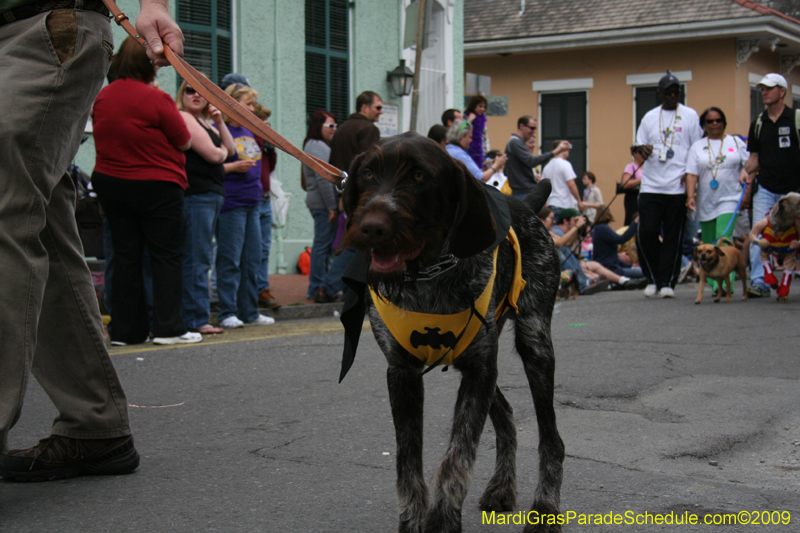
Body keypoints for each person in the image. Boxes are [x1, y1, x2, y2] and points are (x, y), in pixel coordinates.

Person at [0, 0, 183, 481]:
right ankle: (93, 421)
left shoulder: (115, 98)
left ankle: (97, 411)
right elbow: (183, 140)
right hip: (156, 190)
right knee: (39, 225)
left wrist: (154, 4)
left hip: (42, 20)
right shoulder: (153, 99)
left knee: (13, 210)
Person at [92, 37, 201, 347]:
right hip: (157, 183)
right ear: (147, 64)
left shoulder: (103, 97)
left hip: (111, 182)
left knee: (125, 257)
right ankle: (168, 328)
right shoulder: (157, 99)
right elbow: (183, 141)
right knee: (166, 257)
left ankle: (126, 331)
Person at [634, 71, 703, 299]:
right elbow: (636, 147)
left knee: (673, 236)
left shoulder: (690, 115)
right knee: (647, 232)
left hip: (677, 186)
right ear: (660, 94)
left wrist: (690, 175)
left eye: (676, 92)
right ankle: (652, 277)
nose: (673, 95)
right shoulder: (649, 117)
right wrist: (641, 150)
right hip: (651, 185)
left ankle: (667, 282)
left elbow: (697, 149)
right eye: (668, 92)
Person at [176, 80, 235, 335]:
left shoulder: (205, 123)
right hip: (196, 195)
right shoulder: (184, 117)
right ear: (182, 94)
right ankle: (196, 319)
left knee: (202, 256)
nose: (196, 95)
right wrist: (220, 150)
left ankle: (196, 316)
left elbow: (230, 150)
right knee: (196, 258)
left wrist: (219, 121)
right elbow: (215, 155)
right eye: (190, 89)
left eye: (202, 91)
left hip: (210, 196)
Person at [215, 84, 275, 328]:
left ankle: (249, 311)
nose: (253, 108)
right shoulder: (219, 128)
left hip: (254, 200)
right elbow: (212, 165)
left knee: (253, 258)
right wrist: (233, 167)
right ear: (232, 104)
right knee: (230, 259)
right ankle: (227, 311)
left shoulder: (250, 131)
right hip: (232, 201)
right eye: (248, 104)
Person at [319, 91, 385, 303]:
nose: (381, 112)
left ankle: (340, 287)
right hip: (361, 196)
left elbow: (332, 165)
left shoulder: (342, 130)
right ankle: (331, 286)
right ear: (364, 108)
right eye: (378, 107)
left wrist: (339, 195)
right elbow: (370, 166)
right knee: (357, 242)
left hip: (343, 193)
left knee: (350, 242)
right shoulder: (368, 129)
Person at [739, 73, 800, 298]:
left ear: (782, 92)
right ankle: (760, 282)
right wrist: (746, 171)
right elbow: (755, 157)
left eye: (769, 88)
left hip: (794, 192)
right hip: (766, 189)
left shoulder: (796, 118)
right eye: (762, 88)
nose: (764, 92)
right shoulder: (758, 124)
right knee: (760, 235)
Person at [685, 107, 748, 296]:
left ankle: (724, 283)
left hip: (730, 197)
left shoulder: (735, 142)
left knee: (723, 239)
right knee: (709, 243)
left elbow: (750, 166)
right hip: (706, 200)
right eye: (710, 121)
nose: (715, 124)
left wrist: (747, 188)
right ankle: (715, 283)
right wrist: (690, 196)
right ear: (704, 125)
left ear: (724, 122)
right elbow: (691, 174)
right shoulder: (697, 146)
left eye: (718, 120)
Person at [304, 110, 339, 303]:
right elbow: (324, 178)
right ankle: (316, 286)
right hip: (323, 204)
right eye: (330, 126)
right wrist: (332, 207)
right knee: (322, 245)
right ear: (319, 127)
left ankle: (320, 284)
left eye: (335, 126)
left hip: (322, 203)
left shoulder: (319, 145)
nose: (334, 130)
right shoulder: (316, 146)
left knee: (324, 245)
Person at [252, 101, 280, 310]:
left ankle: (262, 287)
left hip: (265, 197)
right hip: (252, 198)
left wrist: (270, 147)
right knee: (252, 249)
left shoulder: (263, 143)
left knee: (264, 249)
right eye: (263, 123)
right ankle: (253, 289)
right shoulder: (250, 138)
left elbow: (269, 167)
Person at [505, 115, 570, 199]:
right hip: (523, 193)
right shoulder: (515, 142)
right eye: (532, 128)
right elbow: (531, 161)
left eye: (535, 129)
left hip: (524, 192)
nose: (534, 132)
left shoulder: (516, 143)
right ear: (521, 126)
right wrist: (555, 151)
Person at [590, 207, 648, 285]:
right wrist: (635, 223)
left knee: (639, 270)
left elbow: (610, 256)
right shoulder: (603, 229)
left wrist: (630, 266)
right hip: (611, 269)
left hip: (609, 267)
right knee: (644, 272)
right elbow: (621, 239)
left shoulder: (597, 229)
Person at [543, 141, 582, 214]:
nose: (568, 150)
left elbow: (543, 189)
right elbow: (571, 185)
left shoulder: (546, 167)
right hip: (564, 206)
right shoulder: (565, 164)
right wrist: (579, 201)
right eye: (565, 148)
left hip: (551, 206)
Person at [620, 145, 646, 225]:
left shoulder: (645, 167)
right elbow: (625, 184)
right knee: (632, 219)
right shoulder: (631, 166)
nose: (643, 155)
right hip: (633, 198)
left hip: (643, 197)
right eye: (640, 153)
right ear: (635, 154)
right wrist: (641, 180)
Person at [464, 94, 489, 168]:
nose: (482, 109)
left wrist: (487, 149)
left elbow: (485, 136)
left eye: (484, 107)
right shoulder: (466, 116)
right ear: (474, 106)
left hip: (479, 151)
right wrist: (469, 120)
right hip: (467, 149)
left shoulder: (482, 120)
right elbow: (461, 129)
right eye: (480, 106)